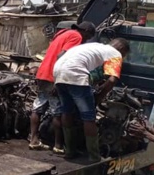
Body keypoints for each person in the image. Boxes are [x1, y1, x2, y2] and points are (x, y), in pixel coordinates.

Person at [53, 38, 130, 161]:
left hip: (58, 71)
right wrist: (100, 96)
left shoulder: (93, 46)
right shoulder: (115, 53)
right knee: (89, 117)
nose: (123, 57)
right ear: (122, 50)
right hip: (76, 74)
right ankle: (94, 156)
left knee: (67, 112)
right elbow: (112, 80)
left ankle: (70, 151)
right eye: (124, 55)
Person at [29, 21, 96, 153]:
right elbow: (62, 56)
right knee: (58, 112)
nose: (86, 40)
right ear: (86, 31)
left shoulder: (62, 34)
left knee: (38, 108)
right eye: (88, 37)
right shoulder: (77, 36)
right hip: (52, 77)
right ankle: (58, 146)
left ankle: (34, 140)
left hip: (42, 74)